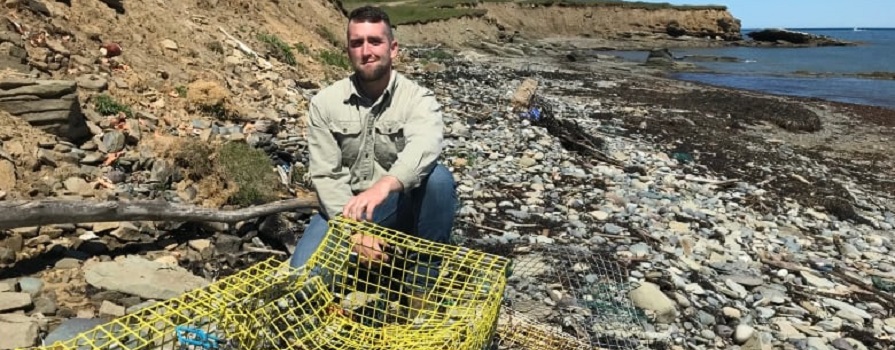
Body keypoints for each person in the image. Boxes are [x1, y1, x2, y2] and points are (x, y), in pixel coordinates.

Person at [289, 5, 457, 272]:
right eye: (357, 43)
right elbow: (326, 176)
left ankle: (422, 283)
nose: (366, 52)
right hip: (345, 211)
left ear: (393, 48)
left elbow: (425, 145)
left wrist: (385, 185)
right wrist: (355, 232)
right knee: (304, 280)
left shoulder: (418, 100)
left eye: (375, 41)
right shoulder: (325, 103)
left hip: (397, 204)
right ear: (348, 51)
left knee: (438, 179)